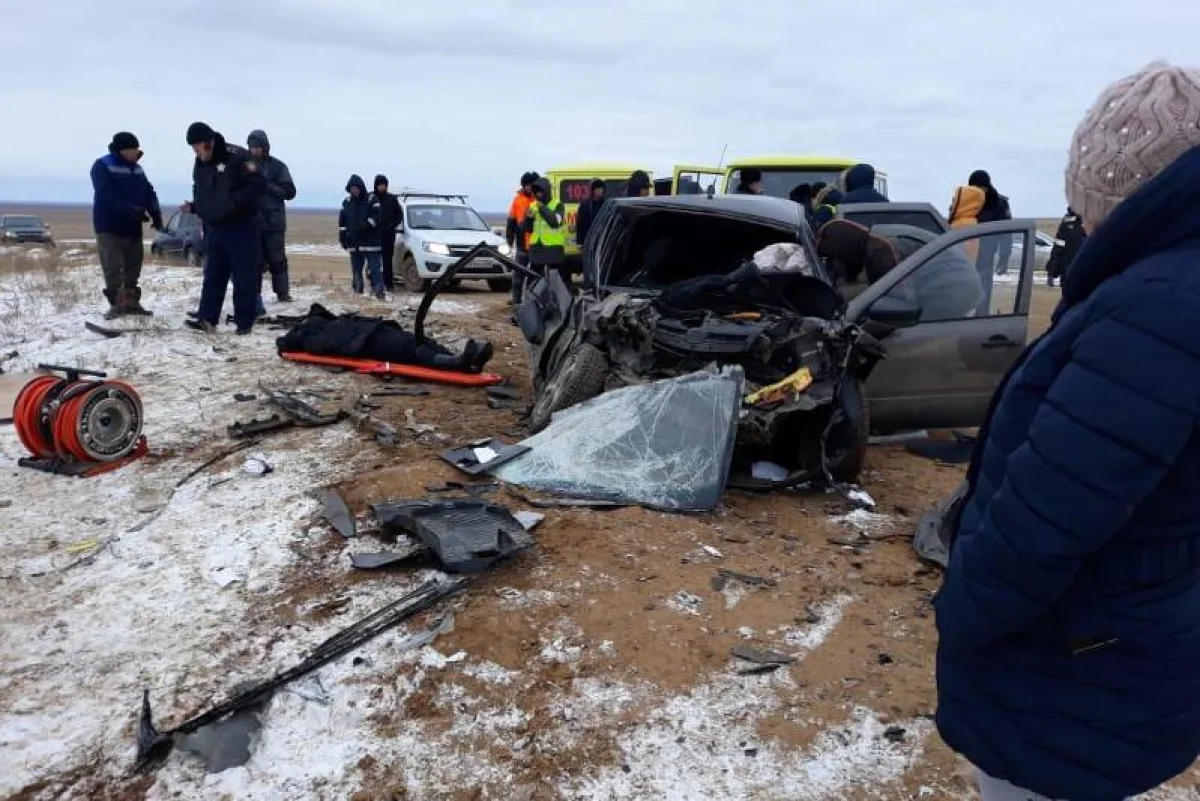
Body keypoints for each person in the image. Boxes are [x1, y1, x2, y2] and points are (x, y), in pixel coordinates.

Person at [935, 61, 1200, 801]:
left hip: (1070, 663)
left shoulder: (1154, 311)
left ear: (1118, 190)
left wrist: (961, 609)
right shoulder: (1171, 287)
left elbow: (1046, 520)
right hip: (1126, 639)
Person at [183, 122, 265, 335]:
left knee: (243, 276)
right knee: (213, 275)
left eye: (198, 147)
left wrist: (235, 203)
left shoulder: (238, 156)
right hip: (215, 227)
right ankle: (207, 319)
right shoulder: (200, 163)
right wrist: (196, 206)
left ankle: (244, 323)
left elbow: (257, 184)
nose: (196, 153)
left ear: (209, 143)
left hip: (241, 226)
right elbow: (200, 189)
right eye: (193, 149)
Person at [90, 131, 162, 319]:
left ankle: (131, 303)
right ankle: (117, 305)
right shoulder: (102, 165)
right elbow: (105, 195)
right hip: (109, 226)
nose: (135, 152)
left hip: (133, 227)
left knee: (133, 266)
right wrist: (131, 210)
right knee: (113, 267)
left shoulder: (137, 169)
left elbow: (148, 191)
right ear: (122, 150)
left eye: (137, 149)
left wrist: (156, 213)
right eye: (132, 149)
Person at [246, 130, 296, 305]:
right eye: (251, 147)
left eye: (257, 147)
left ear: (265, 147)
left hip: (274, 222)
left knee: (278, 260)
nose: (254, 151)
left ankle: (283, 293)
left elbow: (290, 192)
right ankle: (255, 295)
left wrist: (267, 186)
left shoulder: (278, 167)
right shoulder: (245, 166)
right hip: (252, 221)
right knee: (254, 261)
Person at [338, 175, 385, 299]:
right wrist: (343, 236)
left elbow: (377, 217)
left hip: (371, 243)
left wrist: (364, 226)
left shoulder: (371, 199)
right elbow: (342, 222)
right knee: (356, 270)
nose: (354, 190)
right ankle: (357, 292)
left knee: (375, 270)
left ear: (361, 187)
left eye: (356, 188)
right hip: (354, 243)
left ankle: (378, 293)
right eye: (352, 188)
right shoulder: (347, 202)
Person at [523, 177, 569, 287]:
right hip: (537, 248)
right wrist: (528, 219)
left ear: (546, 191)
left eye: (540, 192)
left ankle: (560, 301)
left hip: (553, 248)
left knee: (557, 279)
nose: (538, 195)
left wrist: (542, 208)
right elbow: (527, 229)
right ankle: (532, 300)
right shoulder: (532, 206)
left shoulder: (558, 204)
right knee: (533, 278)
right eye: (536, 192)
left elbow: (554, 222)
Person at [969, 169, 1014, 274]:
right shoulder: (966, 201)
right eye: (973, 188)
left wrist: (1004, 258)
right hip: (966, 254)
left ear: (986, 187)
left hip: (986, 256)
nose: (976, 192)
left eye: (979, 188)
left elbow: (1006, 233)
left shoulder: (999, 204)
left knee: (984, 287)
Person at [506, 171, 538, 305]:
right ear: (524, 185)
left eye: (532, 185)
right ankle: (516, 299)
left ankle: (531, 301)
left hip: (536, 243)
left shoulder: (538, 199)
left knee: (534, 276)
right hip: (521, 243)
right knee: (518, 274)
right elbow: (511, 220)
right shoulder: (518, 200)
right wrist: (510, 238)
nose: (529, 187)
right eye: (527, 185)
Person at [1046, 206, 1087, 288]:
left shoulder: (1099, 218)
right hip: (1069, 276)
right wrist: (1052, 272)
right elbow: (1058, 249)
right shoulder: (1067, 221)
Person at [373, 175, 402, 290]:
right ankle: (375, 284)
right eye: (380, 185)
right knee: (374, 261)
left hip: (388, 235)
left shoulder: (392, 199)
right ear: (376, 185)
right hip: (374, 236)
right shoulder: (371, 198)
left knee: (387, 261)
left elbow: (399, 215)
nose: (382, 187)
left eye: (384, 185)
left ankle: (389, 284)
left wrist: (392, 225)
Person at [575, 179, 605, 249]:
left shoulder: (604, 203)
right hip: (588, 239)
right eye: (598, 189)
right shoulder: (585, 204)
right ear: (593, 190)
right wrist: (579, 241)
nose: (601, 191)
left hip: (601, 239)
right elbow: (580, 224)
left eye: (602, 189)